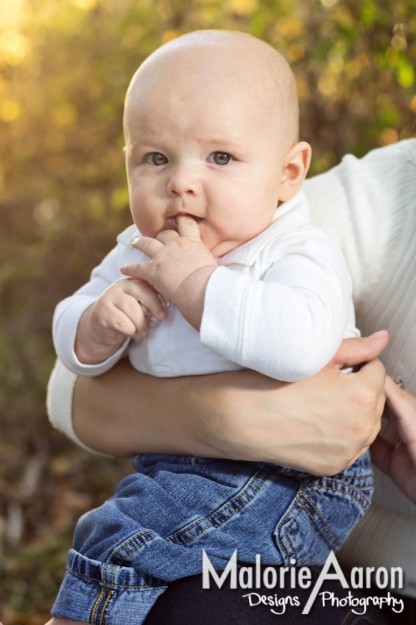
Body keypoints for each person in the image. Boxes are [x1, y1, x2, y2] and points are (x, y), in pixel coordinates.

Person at [49, 29, 378, 625]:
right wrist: (96, 326)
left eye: (220, 157)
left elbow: (300, 345)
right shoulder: (138, 248)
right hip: (178, 465)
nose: (181, 182)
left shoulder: (295, 249)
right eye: (155, 158)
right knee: (129, 529)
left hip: (290, 480)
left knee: (121, 538)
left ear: (287, 173)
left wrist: (198, 286)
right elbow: (70, 337)